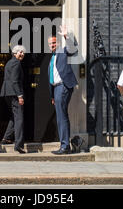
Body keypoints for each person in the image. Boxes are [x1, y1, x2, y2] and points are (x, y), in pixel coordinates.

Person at [47, 25, 78, 155]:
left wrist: (66, 36)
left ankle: (65, 146)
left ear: (58, 43)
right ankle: (64, 145)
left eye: (54, 42)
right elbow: (51, 76)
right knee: (61, 116)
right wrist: (52, 96)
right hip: (56, 89)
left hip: (63, 86)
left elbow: (73, 49)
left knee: (61, 116)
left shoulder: (62, 51)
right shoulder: (52, 57)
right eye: (50, 43)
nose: (52, 45)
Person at [0, 45, 27, 154]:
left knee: (14, 116)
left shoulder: (9, 63)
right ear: (14, 53)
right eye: (19, 52)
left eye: (23, 52)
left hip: (7, 93)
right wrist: (20, 96)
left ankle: (6, 138)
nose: (22, 54)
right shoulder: (16, 63)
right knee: (19, 118)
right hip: (14, 94)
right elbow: (15, 81)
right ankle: (18, 145)